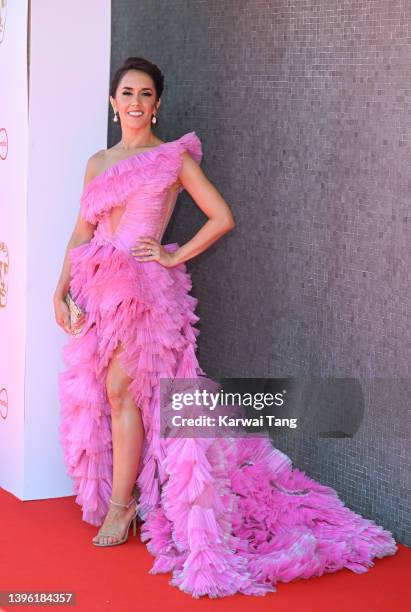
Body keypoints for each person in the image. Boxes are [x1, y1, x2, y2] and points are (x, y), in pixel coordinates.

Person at [53, 56, 398, 599]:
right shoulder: (98, 163)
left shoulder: (172, 158)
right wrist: (60, 289)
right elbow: (80, 233)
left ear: (156, 103)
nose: (136, 103)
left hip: (143, 290)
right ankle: (132, 498)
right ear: (113, 102)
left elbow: (221, 215)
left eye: (146, 94)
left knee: (126, 389)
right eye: (127, 93)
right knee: (116, 394)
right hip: (99, 289)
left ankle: (122, 509)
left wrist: (172, 256)